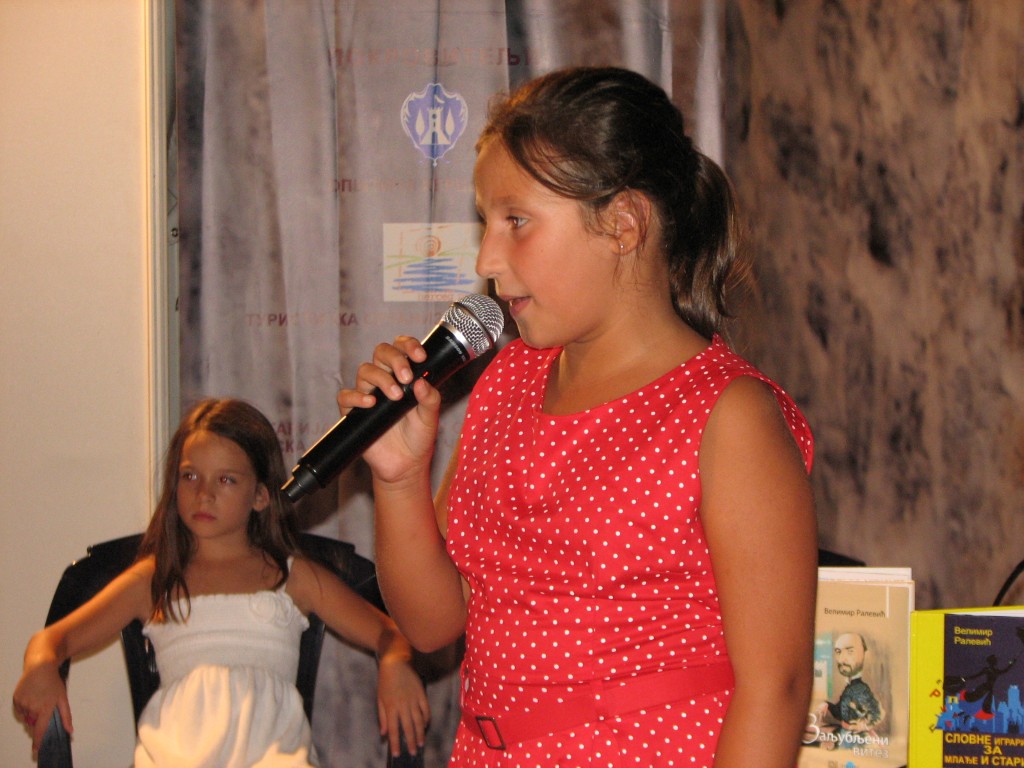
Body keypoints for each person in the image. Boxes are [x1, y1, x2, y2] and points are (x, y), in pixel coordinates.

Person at [338, 66, 817, 766]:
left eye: (516, 222)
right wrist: (400, 479)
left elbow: (776, 688)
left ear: (623, 224)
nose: (488, 258)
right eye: (486, 223)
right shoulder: (507, 382)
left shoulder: (728, 415)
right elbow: (432, 623)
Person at [13, 397, 429, 766]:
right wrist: (41, 666)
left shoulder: (292, 578)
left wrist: (395, 664)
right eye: (190, 476)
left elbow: (389, 633)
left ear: (261, 496)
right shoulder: (155, 579)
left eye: (226, 479)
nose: (204, 494)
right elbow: (51, 641)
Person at [815, 632, 884, 747]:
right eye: (838, 652)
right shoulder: (849, 688)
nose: (842, 659)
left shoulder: (860, 689)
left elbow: (877, 713)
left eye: (850, 651)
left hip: (856, 741)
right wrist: (827, 705)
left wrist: (863, 725)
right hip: (846, 737)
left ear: (864, 655)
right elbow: (841, 713)